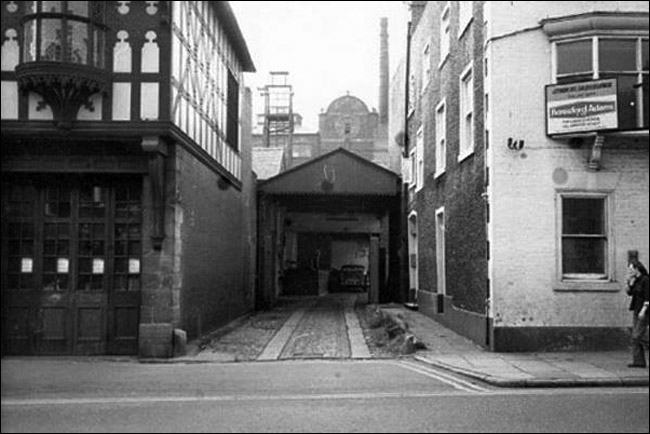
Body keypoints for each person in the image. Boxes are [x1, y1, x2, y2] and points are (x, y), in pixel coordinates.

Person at [625, 259, 649, 368]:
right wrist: (629, 283)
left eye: (631, 269)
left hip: (644, 311)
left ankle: (639, 361)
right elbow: (630, 293)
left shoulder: (646, 280)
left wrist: (644, 309)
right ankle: (638, 361)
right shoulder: (636, 280)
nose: (629, 272)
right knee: (635, 335)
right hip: (636, 309)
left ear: (637, 269)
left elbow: (647, 296)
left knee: (637, 335)